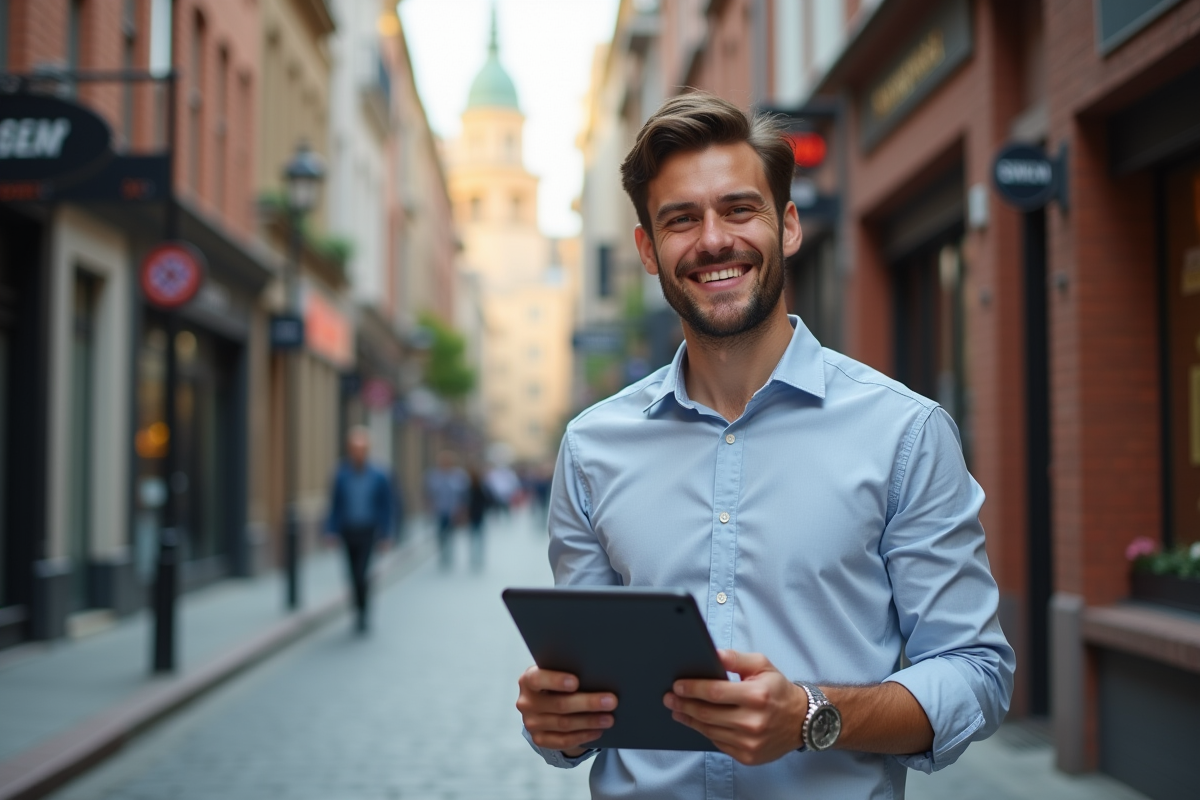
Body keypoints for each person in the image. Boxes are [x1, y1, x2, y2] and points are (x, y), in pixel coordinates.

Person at [515, 93, 1015, 799]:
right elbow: (591, 691)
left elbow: (976, 671)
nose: (714, 239)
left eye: (739, 209)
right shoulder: (593, 446)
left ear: (786, 226)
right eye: (681, 219)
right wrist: (557, 721)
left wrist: (815, 715)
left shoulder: (903, 432)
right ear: (648, 252)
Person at [325, 426, 394, 634]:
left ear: (367, 449)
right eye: (354, 448)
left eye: (361, 448)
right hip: (348, 530)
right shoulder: (340, 474)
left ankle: (363, 613)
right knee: (351, 575)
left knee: (362, 574)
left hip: (368, 530)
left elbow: (387, 506)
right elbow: (335, 505)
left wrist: (387, 534)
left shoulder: (379, 475)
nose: (357, 451)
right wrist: (330, 530)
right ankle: (357, 610)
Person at [426, 450, 467, 569]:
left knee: (451, 533)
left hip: (454, 511)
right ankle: (442, 554)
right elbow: (428, 493)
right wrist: (429, 506)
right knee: (440, 533)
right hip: (439, 510)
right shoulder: (433, 475)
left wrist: (462, 510)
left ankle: (449, 554)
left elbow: (464, 494)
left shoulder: (459, 475)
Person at [465, 464, 491, 570]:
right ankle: (477, 556)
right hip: (476, 515)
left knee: (475, 536)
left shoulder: (476, 488)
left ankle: (476, 556)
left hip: (475, 515)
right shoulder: (473, 488)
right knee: (477, 536)